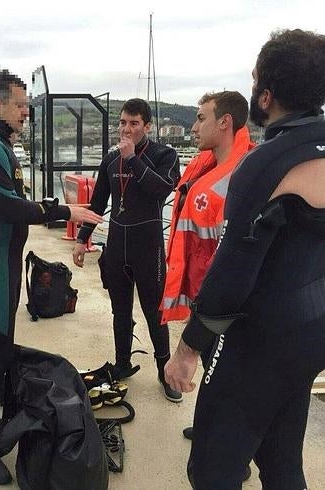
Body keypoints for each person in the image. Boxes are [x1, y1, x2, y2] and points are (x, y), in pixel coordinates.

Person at [165, 28, 325, 489]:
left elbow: (234, 270)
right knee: (281, 464)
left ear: (266, 94)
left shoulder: (266, 162)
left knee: (213, 469)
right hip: (310, 332)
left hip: (258, 339)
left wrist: (188, 349)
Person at [0, 70, 103, 485]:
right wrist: (65, 211)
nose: (27, 111)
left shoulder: (0, 144)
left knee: (1, 348)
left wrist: (51, 207)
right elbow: (11, 208)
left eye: (27, 104)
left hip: (1, 264)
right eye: (20, 104)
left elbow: (16, 202)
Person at [160, 92, 254, 453]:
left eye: (201, 118)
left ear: (224, 122)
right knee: (214, 379)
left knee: (228, 379)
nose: (194, 126)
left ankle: (235, 453)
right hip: (206, 295)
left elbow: (233, 257)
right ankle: (206, 428)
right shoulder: (208, 166)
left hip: (228, 307)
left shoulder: (241, 177)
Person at [73, 98, 182, 402]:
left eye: (134, 123)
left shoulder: (165, 155)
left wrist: (133, 158)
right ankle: (122, 363)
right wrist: (83, 239)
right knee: (120, 312)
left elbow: (161, 189)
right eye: (122, 122)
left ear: (147, 126)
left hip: (148, 250)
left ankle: (165, 371)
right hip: (117, 248)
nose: (126, 128)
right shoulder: (110, 159)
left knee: (154, 313)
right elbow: (97, 204)